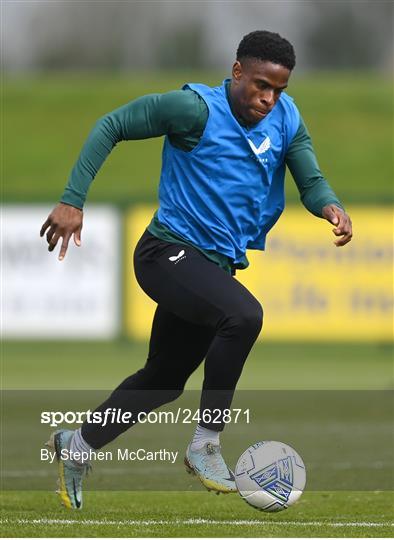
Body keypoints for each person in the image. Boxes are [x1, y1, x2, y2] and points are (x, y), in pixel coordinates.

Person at [40, 30, 352, 509]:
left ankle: (76, 445)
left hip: (212, 266)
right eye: (260, 86)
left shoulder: (287, 118)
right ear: (237, 72)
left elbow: (310, 178)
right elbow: (112, 124)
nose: (269, 98)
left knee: (163, 380)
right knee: (243, 316)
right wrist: (71, 199)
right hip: (166, 253)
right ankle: (206, 444)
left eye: (279, 89)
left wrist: (330, 206)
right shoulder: (195, 110)